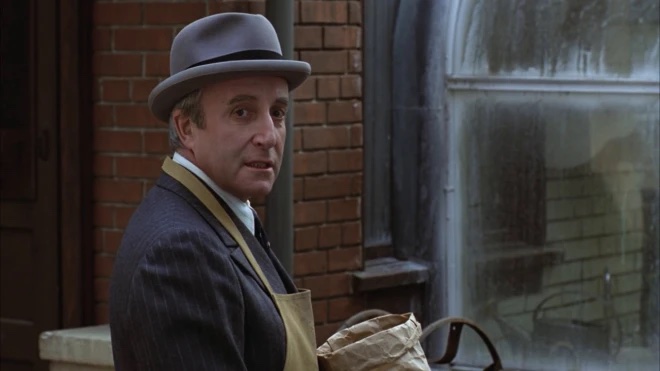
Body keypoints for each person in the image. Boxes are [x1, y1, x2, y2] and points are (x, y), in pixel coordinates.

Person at [108, 13, 317, 371]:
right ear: (186, 127)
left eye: (278, 112)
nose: (269, 135)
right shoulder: (178, 252)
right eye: (242, 112)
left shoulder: (225, 215)